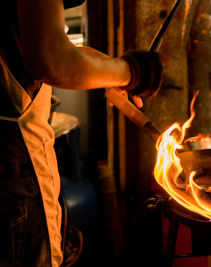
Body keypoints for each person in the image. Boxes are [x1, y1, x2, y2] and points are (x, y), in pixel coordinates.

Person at [0, 0, 163, 266]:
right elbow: (51, 59)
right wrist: (132, 72)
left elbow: (35, 40)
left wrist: (112, 69)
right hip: (11, 174)